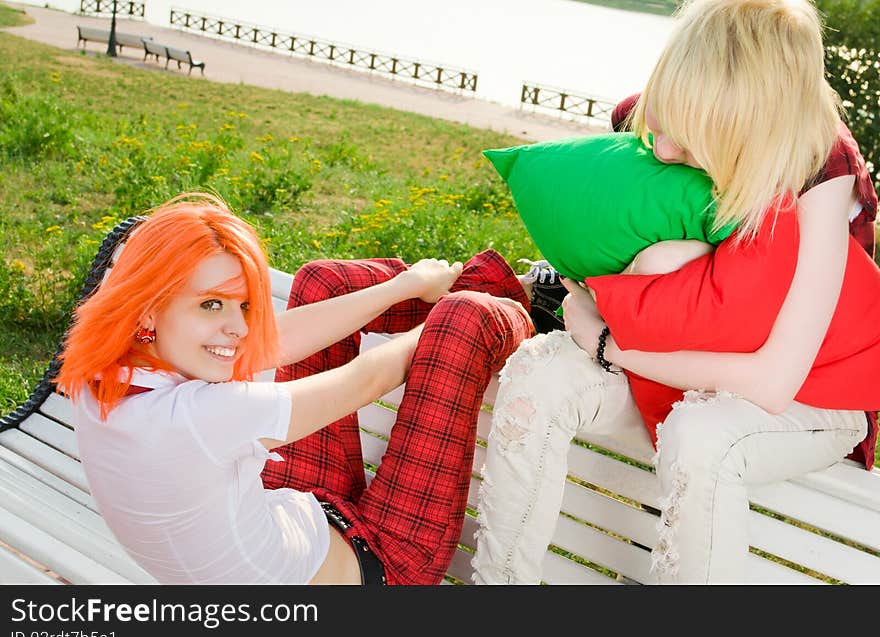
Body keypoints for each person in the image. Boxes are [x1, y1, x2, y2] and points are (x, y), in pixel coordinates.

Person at [472, 0, 879, 584]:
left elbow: (774, 380)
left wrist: (608, 340)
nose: (662, 151)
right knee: (541, 374)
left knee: (701, 435)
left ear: (749, 124)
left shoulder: (822, 168)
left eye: (687, 143)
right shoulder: (683, 104)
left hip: (808, 391)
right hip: (678, 348)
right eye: (661, 126)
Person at [55, 191, 538, 585]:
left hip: (293, 513)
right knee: (463, 318)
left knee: (321, 281)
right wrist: (435, 317)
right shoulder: (202, 417)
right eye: (210, 305)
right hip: (387, 563)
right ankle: (535, 299)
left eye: (242, 305)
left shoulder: (100, 374)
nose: (238, 329)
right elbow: (368, 378)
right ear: (147, 307)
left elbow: (274, 341)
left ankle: (479, 284)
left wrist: (407, 285)